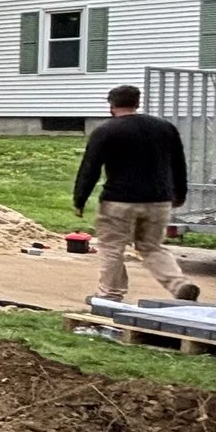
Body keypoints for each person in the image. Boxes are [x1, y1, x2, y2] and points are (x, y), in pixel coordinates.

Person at [73, 84, 199, 302]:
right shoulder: (165, 128)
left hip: (118, 201)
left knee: (112, 247)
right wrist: (179, 194)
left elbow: (90, 168)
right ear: (137, 103)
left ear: (111, 105)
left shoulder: (106, 130)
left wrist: (80, 199)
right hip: (159, 200)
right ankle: (180, 285)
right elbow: (178, 164)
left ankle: (109, 294)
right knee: (151, 247)